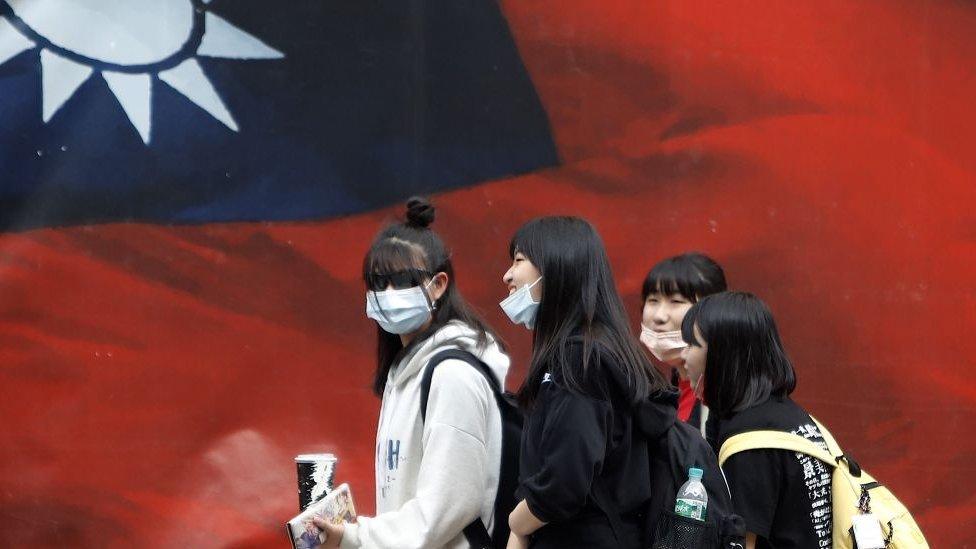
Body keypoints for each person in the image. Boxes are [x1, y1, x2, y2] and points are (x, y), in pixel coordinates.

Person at [316, 197, 510, 549]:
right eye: (377, 281)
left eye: (403, 280)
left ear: (438, 284)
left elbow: (444, 509)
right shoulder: (406, 372)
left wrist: (356, 538)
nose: (388, 293)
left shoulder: (453, 376)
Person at [499, 216, 672, 549]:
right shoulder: (596, 351)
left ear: (558, 266)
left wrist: (517, 524)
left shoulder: (580, 357)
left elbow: (564, 483)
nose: (507, 275)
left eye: (519, 260)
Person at [681, 292, 832, 549]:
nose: (683, 356)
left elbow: (740, 543)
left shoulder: (749, 442)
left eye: (691, 344)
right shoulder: (788, 415)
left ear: (723, 355)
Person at [639, 253, 726, 441]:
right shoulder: (662, 390)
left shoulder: (727, 398)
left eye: (676, 302)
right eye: (653, 300)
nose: (659, 316)